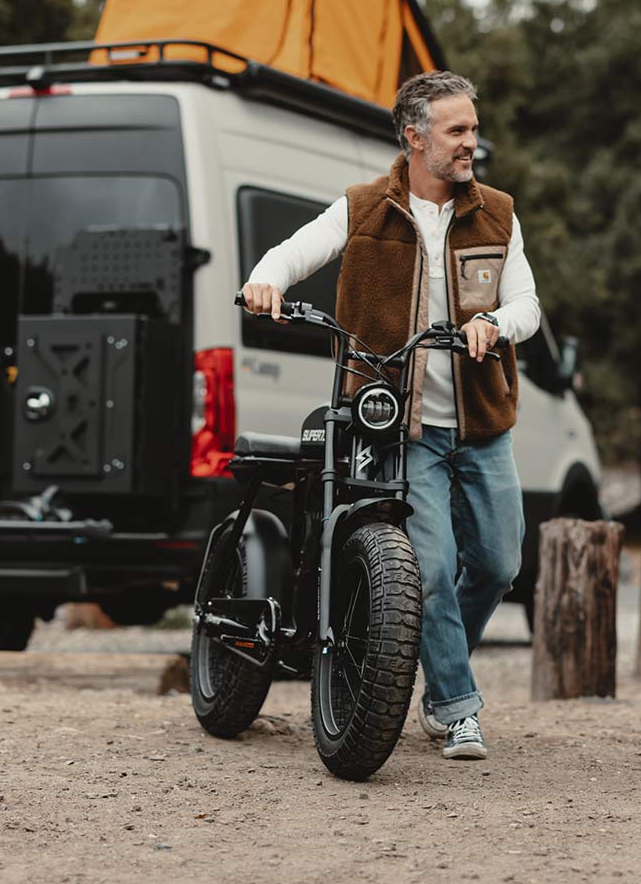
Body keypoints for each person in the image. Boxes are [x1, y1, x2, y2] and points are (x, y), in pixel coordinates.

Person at [241, 70, 540, 762]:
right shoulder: (365, 208)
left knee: (498, 563)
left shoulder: (496, 211)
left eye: (472, 128)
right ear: (414, 136)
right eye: (457, 130)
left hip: (483, 421)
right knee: (430, 570)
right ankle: (456, 707)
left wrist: (494, 323)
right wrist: (267, 279)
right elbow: (296, 251)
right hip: (404, 427)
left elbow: (528, 304)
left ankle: (425, 664)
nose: (472, 142)